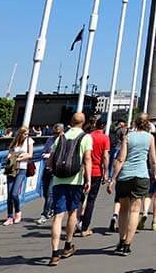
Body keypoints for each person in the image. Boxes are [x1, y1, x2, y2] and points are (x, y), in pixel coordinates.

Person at [47, 112, 92, 266]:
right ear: (83, 123)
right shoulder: (85, 137)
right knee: (73, 212)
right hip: (75, 180)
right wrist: (88, 179)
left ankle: (54, 253)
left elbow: (50, 161)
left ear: (70, 122)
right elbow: (87, 160)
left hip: (58, 180)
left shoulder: (61, 137)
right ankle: (67, 245)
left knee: (57, 216)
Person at [111, 112, 156, 256]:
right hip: (141, 175)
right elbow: (153, 160)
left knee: (123, 210)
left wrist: (113, 179)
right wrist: (153, 173)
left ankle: (121, 240)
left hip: (125, 176)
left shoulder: (128, 137)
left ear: (135, 123)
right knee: (135, 210)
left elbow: (120, 159)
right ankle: (127, 245)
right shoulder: (150, 138)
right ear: (148, 124)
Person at [77, 116, 110, 237]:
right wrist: (106, 172)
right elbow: (105, 157)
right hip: (96, 171)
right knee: (91, 200)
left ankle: (76, 223)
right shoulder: (105, 138)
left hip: (83, 171)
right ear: (104, 126)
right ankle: (84, 228)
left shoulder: (88, 136)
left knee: (80, 198)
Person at [3, 126, 34, 225]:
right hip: (12, 169)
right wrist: (9, 158)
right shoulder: (14, 142)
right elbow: (10, 153)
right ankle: (9, 217)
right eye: (25, 134)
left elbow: (30, 155)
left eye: (27, 134)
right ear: (20, 134)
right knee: (9, 194)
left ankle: (18, 211)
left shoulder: (29, 141)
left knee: (14, 193)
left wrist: (19, 158)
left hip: (22, 169)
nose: (26, 135)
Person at [37, 124, 63, 225]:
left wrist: (52, 156)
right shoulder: (50, 140)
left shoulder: (64, 141)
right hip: (47, 169)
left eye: (58, 133)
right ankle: (52, 208)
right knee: (45, 192)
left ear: (61, 132)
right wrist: (48, 155)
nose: (56, 135)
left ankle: (44, 214)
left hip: (56, 171)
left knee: (49, 193)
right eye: (54, 133)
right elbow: (43, 152)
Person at [107, 119, 127, 232]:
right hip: (128, 175)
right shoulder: (128, 147)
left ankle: (114, 215)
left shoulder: (117, 149)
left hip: (119, 175)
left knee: (118, 198)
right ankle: (122, 226)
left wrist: (112, 180)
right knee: (126, 203)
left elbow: (116, 163)